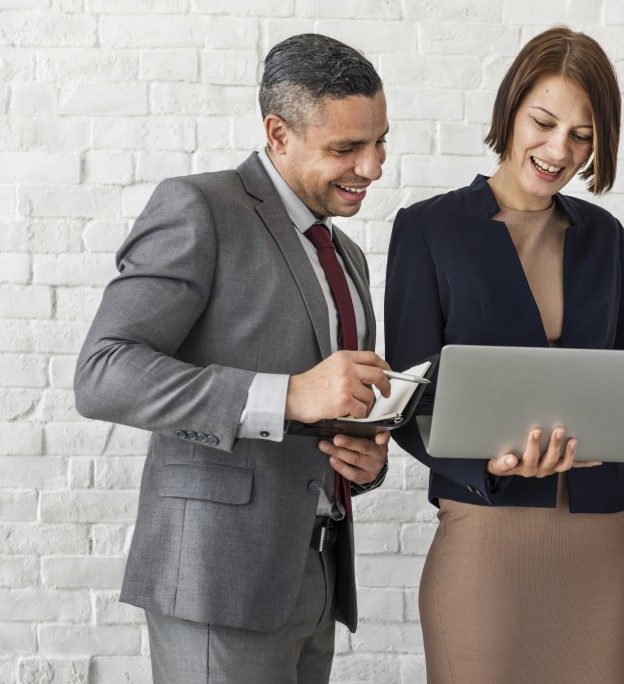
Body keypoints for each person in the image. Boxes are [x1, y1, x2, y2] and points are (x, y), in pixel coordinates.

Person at [74, 34, 395, 682]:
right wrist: (287, 395)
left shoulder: (347, 257)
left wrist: (364, 460)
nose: (374, 166)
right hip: (216, 582)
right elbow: (102, 372)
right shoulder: (200, 209)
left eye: (380, 141)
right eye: (346, 149)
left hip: (317, 571)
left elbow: (333, 406)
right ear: (278, 134)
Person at [385, 26, 624, 683]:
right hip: (486, 530)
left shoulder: (604, 238)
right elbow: (408, 401)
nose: (559, 150)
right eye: (544, 122)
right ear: (509, 110)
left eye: (582, 136)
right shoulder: (427, 230)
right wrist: (489, 465)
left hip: (601, 536)